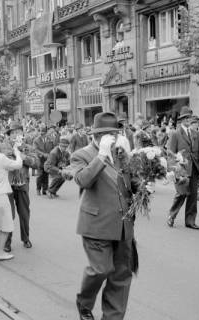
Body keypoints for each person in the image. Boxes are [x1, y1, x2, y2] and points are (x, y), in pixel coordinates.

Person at [70, 112, 140, 320]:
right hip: (96, 224)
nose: (113, 138)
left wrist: (144, 183)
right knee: (100, 270)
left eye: (115, 134)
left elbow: (131, 182)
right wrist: (101, 155)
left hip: (122, 225)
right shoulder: (82, 154)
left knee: (121, 276)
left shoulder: (121, 154)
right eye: (108, 134)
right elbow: (83, 180)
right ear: (97, 136)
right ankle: (84, 303)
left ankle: (112, 318)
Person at [0, 121, 39, 252]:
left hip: (23, 184)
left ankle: (26, 238)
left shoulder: (27, 147)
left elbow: (36, 163)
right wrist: (12, 156)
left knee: (24, 213)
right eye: (13, 133)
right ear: (9, 135)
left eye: (18, 132)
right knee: (8, 215)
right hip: (8, 184)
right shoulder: (2, 147)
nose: (16, 135)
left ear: (22, 133)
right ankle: (7, 242)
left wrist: (23, 156)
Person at [167, 106, 199, 230]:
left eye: (190, 117)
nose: (188, 120)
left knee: (193, 195)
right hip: (181, 168)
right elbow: (170, 152)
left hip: (194, 167)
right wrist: (173, 170)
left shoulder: (196, 133)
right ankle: (171, 215)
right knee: (182, 193)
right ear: (181, 120)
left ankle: (190, 221)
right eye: (186, 118)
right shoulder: (175, 133)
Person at [33, 125, 55, 195]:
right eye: (41, 132)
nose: (42, 134)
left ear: (46, 132)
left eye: (44, 133)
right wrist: (43, 154)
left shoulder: (50, 139)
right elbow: (35, 149)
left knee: (46, 174)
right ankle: (38, 189)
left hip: (48, 160)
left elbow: (53, 148)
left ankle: (45, 189)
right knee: (40, 175)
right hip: (40, 159)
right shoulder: (36, 140)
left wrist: (51, 155)